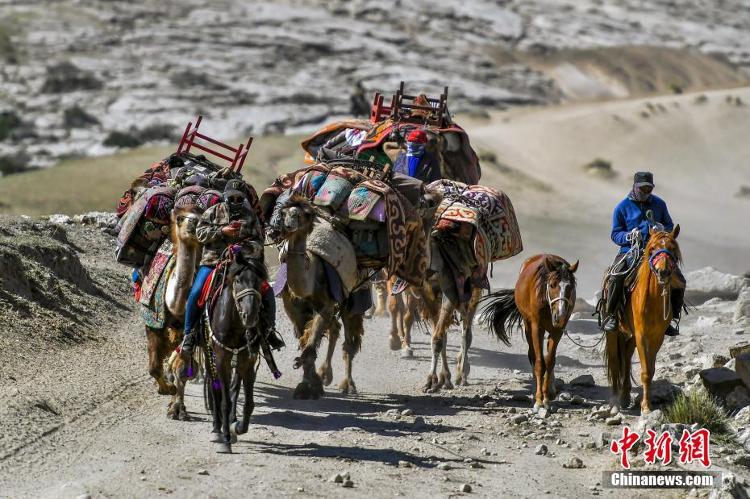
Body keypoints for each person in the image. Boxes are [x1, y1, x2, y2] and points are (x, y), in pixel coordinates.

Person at [180, 180, 283, 376]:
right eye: (232, 197)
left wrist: (243, 248)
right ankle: (188, 335)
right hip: (212, 262)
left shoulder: (250, 217)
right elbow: (200, 234)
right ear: (225, 197)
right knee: (195, 292)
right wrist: (221, 231)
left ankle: (269, 331)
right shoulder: (213, 212)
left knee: (266, 290)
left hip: (242, 264)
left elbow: (258, 242)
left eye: (239, 198)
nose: (235, 201)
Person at [601, 171, 685, 336]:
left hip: (657, 252)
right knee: (616, 276)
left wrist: (662, 229)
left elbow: (669, 225)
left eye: (649, 189)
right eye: (643, 189)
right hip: (631, 251)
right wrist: (628, 236)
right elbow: (615, 233)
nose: (646, 192)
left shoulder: (660, 204)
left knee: (680, 280)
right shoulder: (622, 207)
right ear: (635, 186)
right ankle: (611, 316)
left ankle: (671, 317)